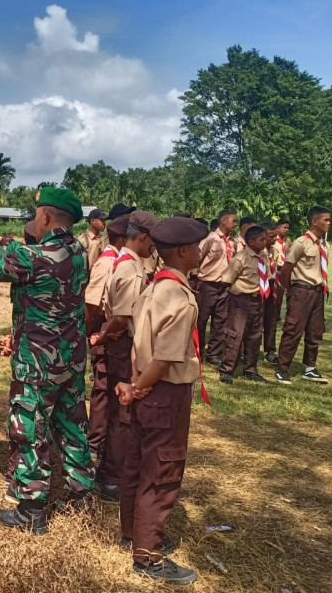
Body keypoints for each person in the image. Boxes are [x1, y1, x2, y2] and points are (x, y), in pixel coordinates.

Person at [0, 187, 95, 534]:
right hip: (70, 361)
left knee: (28, 429)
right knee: (72, 425)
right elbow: (27, 251)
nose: (32, 221)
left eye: (35, 215)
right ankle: (82, 495)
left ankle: (31, 509)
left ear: (45, 217)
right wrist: (3, 236)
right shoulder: (78, 251)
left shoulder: (35, 259)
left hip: (38, 364)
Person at [116, 216, 209, 586]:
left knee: (137, 464)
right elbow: (167, 358)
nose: (201, 252)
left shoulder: (153, 287)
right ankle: (149, 555)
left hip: (145, 384)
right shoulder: (180, 299)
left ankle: (132, 534)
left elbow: (140, 347)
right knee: (162, 472)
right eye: (198, 247)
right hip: (164, 393)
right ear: (184, 252)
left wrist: (136, 383)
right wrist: (141, 387)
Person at [91, 211, 158, 503]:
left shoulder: (125, 263)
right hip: (123, 345)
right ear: (143, 237)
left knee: (116, 412)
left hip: (121, 341)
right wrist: (103, 338)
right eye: (152, 241)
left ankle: (109, 471)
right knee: (122, 415)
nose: (154, 247)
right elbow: (121, 319)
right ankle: (112, 478)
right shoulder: (130, 270)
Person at [84, 216, 129, 462]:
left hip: (111, 328)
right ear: (123, 239)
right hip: (103, 326)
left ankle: (105, 437)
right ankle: (95, 439)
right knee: (102, 386)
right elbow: (91, 304)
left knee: (111, 385)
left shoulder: (121, 261)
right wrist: (94, 334)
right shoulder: (107, 262)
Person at [275, 206, 331, 385]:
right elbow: (286, 268)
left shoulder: (324, 244)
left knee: (315, 331)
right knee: (293, 330)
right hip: (301, 290)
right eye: (326, 220)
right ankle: (282, 368)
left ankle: (310, 368)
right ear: (314, 221)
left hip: (317, 292)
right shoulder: (301, 242)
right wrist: (290, 291)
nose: (329, 223)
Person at [219, 225, 270, 383]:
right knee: (235, 335)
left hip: (258, 299)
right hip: (241, 300)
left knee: (255, 335)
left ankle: (250, 369)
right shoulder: (241, 257)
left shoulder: (263, 256)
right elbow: (227, 279)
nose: (265, 241)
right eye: (262, 239)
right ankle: (227, 369)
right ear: (251, 242)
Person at [196, 209, 238, 366]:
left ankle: (213, 353)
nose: (235, 224)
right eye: (233, 221)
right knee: (201, 319)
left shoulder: (232, 242)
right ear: (224, 221)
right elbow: (198, 257)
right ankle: (198, 350)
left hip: (224, 286)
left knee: (220, 320)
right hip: (207, 284)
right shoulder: (211, 239)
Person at [260, 222, 281, 365]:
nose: (274, 239)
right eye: (271, 236)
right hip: (259, 286)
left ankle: (270, 351)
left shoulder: (275, 251)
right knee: (255, 320)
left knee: (271, 319)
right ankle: (248, 351)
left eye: (275, 236)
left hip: (272, 286)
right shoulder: (258, 252)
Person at [272, 218, 291, 322]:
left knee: (286, 293)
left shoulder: (287, 241)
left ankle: (281, 315)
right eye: (284, 227)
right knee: (277, 294)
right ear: (278, 228)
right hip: (276, 269)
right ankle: (275, 315)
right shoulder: (273, 241)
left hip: (285, 269)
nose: (286, 230)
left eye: (288, 228)